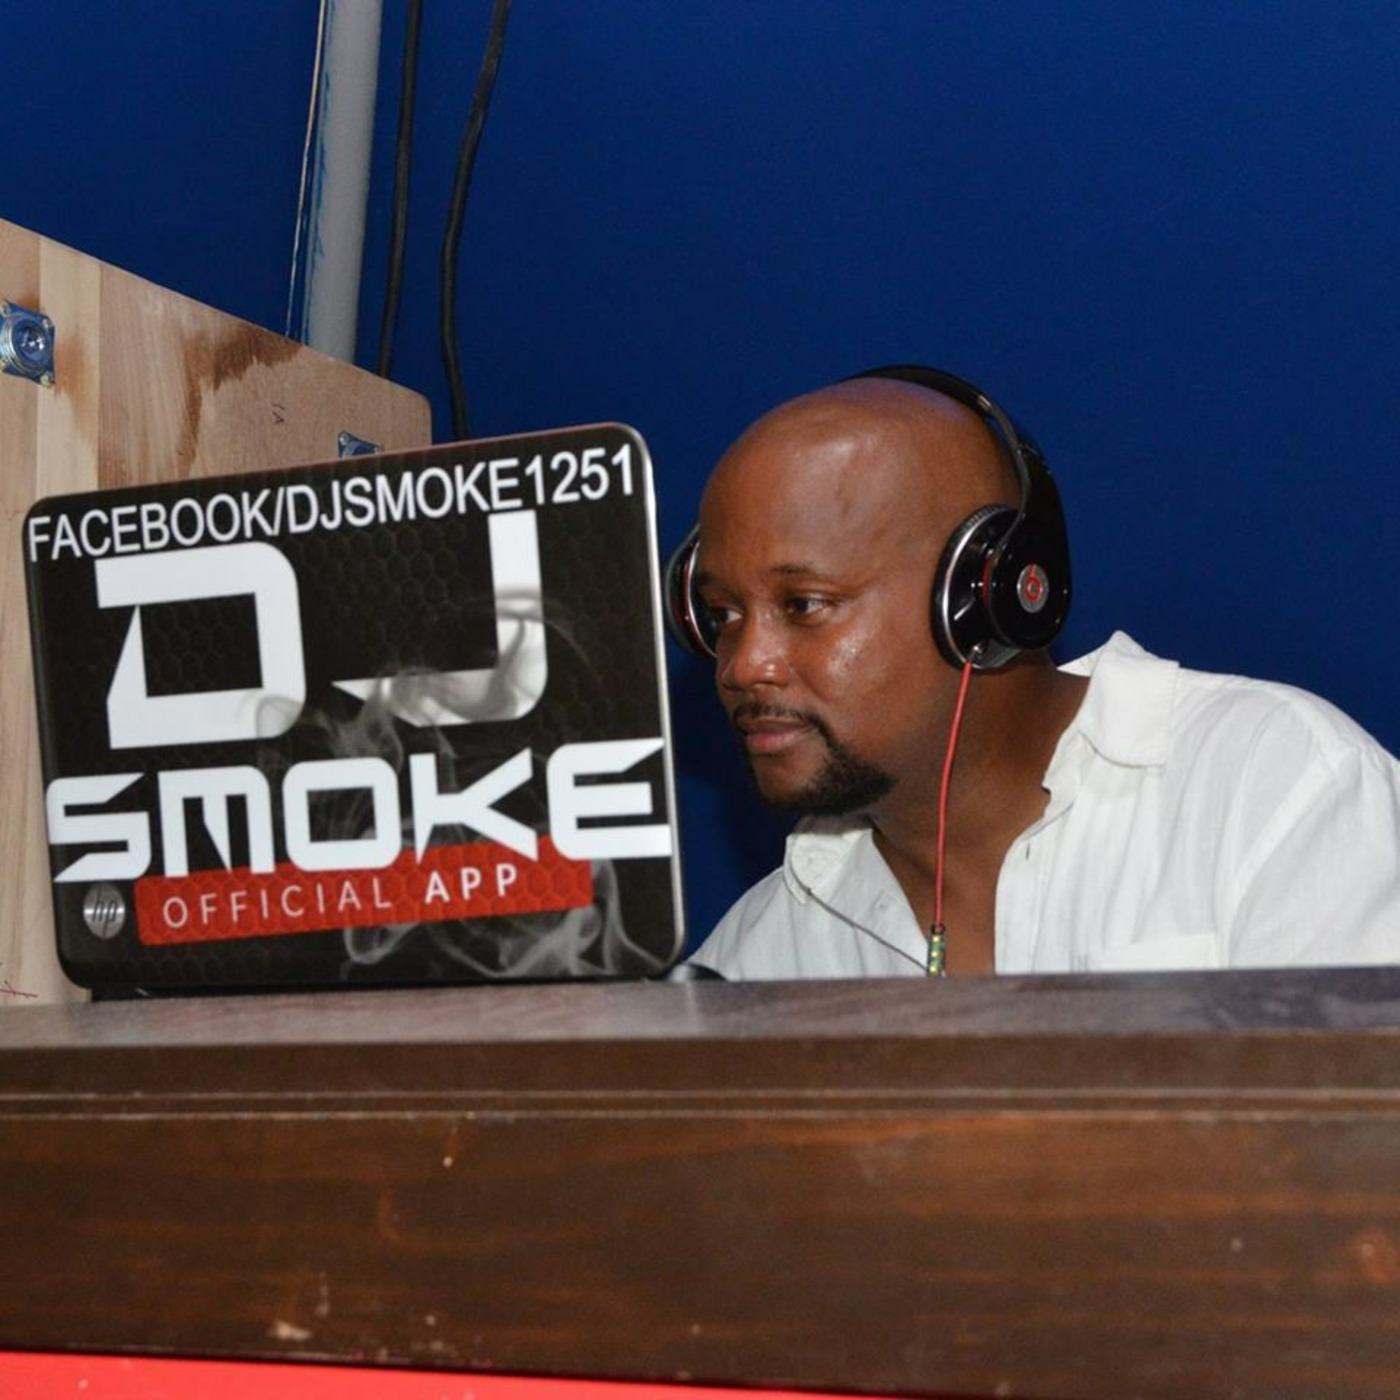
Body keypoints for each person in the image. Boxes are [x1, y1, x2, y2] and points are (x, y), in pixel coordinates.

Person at [667, 366, 1400, 979]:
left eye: (804, 604)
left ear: (986, 596)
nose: (744, 664)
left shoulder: (1271, 792)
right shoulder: (757, 961)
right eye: (722, 615)